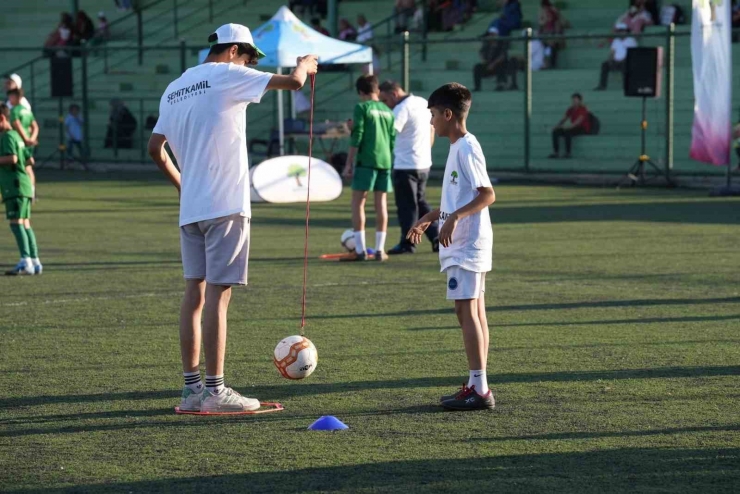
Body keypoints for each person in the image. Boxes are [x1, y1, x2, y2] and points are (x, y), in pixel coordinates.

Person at [147, 23, 318, 413]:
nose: (249, 64)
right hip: (225, 204)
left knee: (194, 294)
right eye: (248, 57)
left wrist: (183, 185)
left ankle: (191, 392)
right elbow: (293, 83)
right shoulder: (228, 73)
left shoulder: (174, 87)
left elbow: (155, 148)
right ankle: (216, 391)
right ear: (234, 50)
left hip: (192, 207)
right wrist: (305, 63)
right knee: (218, 299)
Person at [407, 82, 495, 411]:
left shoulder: (467, 148)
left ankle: (480, 388)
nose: (431, 122)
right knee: (473, 312)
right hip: (462, 243)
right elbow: (458, 197)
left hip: (466, 244)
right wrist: (431, 217)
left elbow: (487, 194)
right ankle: (477, 384)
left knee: (467, 312)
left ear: (447, 114)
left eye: (432, 115)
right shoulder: (458, 147)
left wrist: (455, 218)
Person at [378, 80, 439, 255]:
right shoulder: (421, 102)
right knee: (420, 203)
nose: (385, 105)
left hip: (406, 164)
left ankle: (407, 243)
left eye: (385, 100)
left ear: (394, 94)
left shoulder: (400, 109)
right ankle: (437, 237)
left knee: (407, 206)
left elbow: (389, 133)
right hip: (423, 163)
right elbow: (432, 130)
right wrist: (426, 151)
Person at [341, 75, 395, 262]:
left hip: (367, 159)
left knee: (358, 203)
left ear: (360, 92)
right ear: (377, 90)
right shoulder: (388, 110)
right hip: (385, 160)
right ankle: (380, 250)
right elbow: (392, 138)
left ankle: (361, 250)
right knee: (381, 204)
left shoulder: (361, 107)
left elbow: (358, 135)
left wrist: (349, 163)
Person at [0, 104, 41, 276]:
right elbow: (29, 160)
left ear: (2, 119)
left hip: (14, 186)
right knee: (25, 223)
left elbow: (13, 158)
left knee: (16, 223)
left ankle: (26, 262)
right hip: (23, 184)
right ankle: (35, 261)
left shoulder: (7, 136)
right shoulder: (17, 135)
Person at [548, 93, 592, 159]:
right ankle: (556, 153)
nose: (573, 102)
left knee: (567, 132)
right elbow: (563, 119)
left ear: (580, 101)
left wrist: (567, 127)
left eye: (575, 100)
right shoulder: (571, 109)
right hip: (573, 127)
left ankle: (568, 153)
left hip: (582, 128)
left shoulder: (583, 109)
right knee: (555, 132)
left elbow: (578, 122)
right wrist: (557, 126)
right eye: (573, 100)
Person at [594, 23, 636, 90]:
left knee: (625, 65)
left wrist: (623, 60)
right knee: (605, 65)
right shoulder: (616, 41)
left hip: (626, 62)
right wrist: (610, 59)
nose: (620, 33)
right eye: (619, 31)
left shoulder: (631, 40)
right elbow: (612, 52)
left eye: (622, 31)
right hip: (616, 62)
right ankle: (602, 86)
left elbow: (632, 54)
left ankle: (627, 86)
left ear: (625, 31)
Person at [473, 27, 517, 91]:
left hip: (499, 64)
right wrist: (484, 60)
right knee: (477, 67)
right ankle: (477, 87)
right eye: (490, 34)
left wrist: (493, 64)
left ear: (496, 35)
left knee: (501, 65)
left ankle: (500, 84)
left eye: (493, 34)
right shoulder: (487, 44)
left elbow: (502, 56)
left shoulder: (502, 43)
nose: (491, 36)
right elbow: (481, 53)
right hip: (489, 64)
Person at [7, 90, 38, 169]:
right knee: (28, 167)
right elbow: (35, 127)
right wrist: (32, 139)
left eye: (11, 97)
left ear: (17, 97)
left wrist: (26, 139)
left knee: (19, 166)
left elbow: (17, 125)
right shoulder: (27, 110)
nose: (9, 99)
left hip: (18, 141)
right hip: (28, 142)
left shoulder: (14, 110)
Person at [538, 0, 565, 68]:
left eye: (547, 9)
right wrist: (544, 20)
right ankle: (544, 63)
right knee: (545, 47)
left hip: (554, 40)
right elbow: (540, 24)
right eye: (544, 9)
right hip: (545, 39)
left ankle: (551, 64)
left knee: (552, 46)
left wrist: (557, 13)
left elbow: (560, 30)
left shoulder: (556, 22)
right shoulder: (542, 20)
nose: (546, 11)